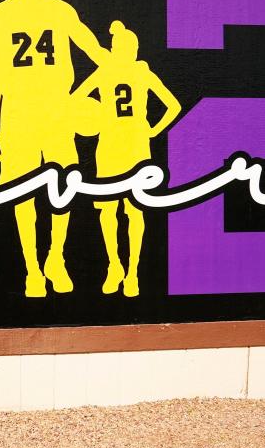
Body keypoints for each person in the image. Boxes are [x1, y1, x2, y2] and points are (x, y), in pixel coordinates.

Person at [0, 0, 109, 298]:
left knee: (62, 186)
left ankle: (54, 257)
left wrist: (116, 68)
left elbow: (90, 46)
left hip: (52, 108)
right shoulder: (3, 15)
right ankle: (33, 269)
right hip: (20, 111)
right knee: (25, 190)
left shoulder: (48, 11)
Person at [71, 21, 182, 297]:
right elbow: (173, 105)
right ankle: (122, 269)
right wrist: (153, 129)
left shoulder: (108, 72)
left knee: (120, 212)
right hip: (127, 147)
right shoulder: (136, 72)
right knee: (125, 212)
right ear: (130, 50)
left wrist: (90, 117)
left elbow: (75, 99)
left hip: (120, 148)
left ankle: (124, 269)